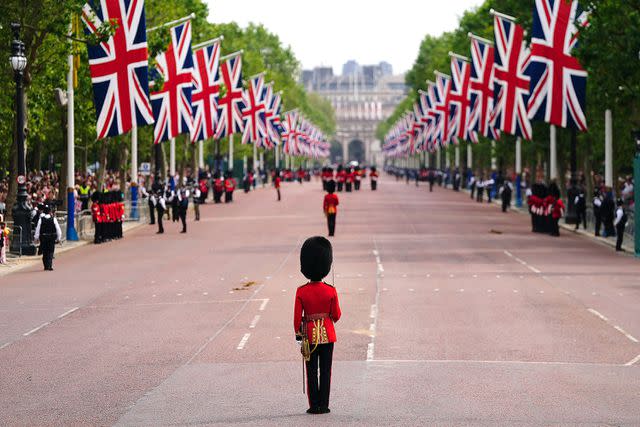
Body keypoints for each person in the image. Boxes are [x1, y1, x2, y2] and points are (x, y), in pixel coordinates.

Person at [294, 236, 342, 415]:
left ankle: (314, 405)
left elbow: (297, 319)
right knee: (326, 371)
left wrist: (299, 336)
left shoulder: (301, 291)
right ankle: (324, 404)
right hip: (328, 335)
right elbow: (336, 315)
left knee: (311, 371)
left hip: (309, 335)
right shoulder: (330, 290)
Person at [34, 205, 62, 271]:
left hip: (43, 238)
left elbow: (37, 230)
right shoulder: (53, 219)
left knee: (45, 252)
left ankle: (46, 265)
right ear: (50, 212)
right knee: (50, 251)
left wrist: (36, 238)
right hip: (51, 237)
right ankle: (50, 265)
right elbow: (58, 229)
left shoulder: (41, 219)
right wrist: (59, 238)